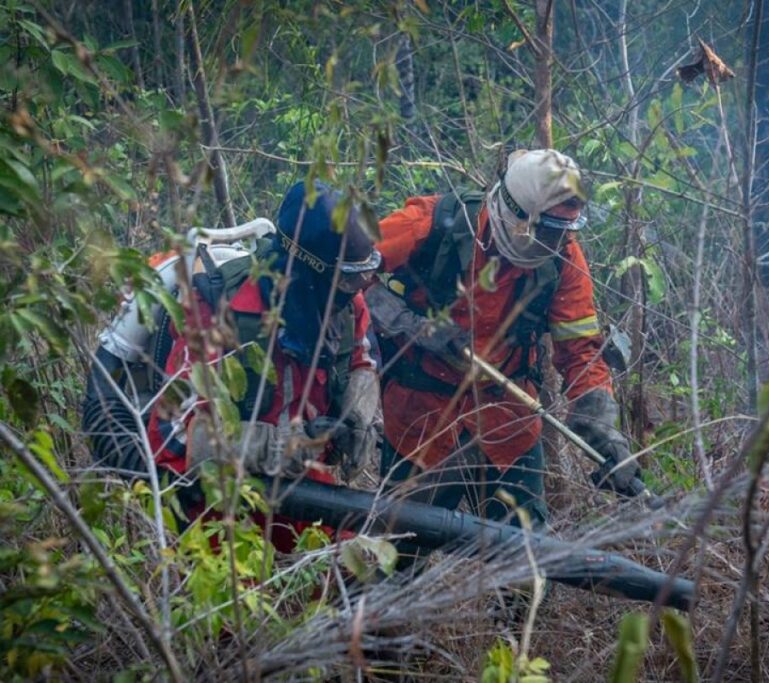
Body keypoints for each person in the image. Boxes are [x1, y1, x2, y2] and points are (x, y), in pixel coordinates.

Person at [365, 148, 638, 551]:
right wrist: (413, 327)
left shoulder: (564, 257)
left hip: (507, 425)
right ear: (519, 216)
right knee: (396, 555)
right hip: (422, 421)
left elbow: (581, 351)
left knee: (524, 560)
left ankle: (515, 615)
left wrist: (604, 435)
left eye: (566, 230)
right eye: (549, 229)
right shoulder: (432, 224)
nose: (559, 241)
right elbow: (346, 270)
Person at [137, 180, 381, 549]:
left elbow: (362, 362)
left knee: (347, 573)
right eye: (347, 277)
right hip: (215, 487)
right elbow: (182, 434)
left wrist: (358, 418)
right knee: (239, 595)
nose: (359, 287)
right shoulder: (220, 311)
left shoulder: (347, 309)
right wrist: (279, 445)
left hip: (301, 481)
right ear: (311, 268)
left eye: (363, 275)